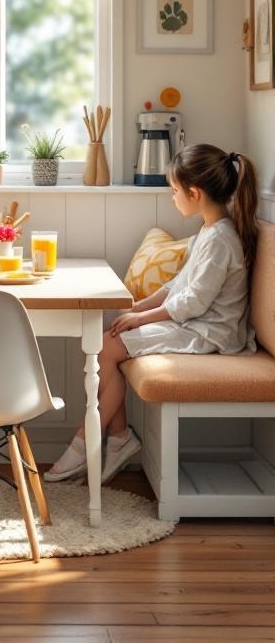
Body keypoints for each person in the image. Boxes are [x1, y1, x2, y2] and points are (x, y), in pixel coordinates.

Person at [45, 144, 259, 485]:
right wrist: (136, 306)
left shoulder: (221, 239)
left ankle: (87, 441)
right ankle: (118, 439)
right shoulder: (208, 231)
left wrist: (142, 319)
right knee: (104, 344)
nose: (172, 198)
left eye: (175, 191)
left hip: (209, 332)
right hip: (193, 323)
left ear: (195, 192)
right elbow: (178, 284)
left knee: (104, 347)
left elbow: (193, 303)